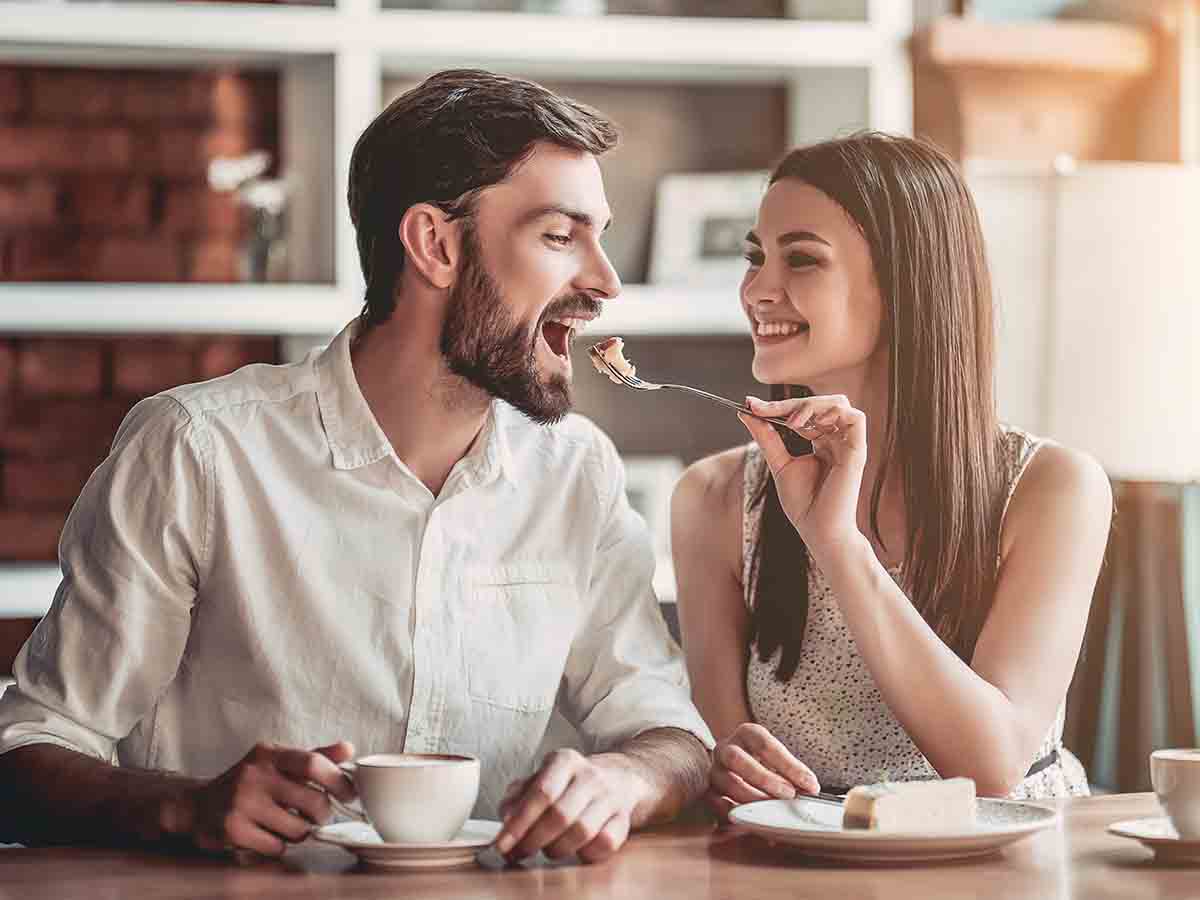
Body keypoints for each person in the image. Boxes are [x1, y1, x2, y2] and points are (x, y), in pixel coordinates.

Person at [0, 69, 712, 863]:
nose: (605, 280)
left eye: (600, 235)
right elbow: (27, 753)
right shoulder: (197, 450)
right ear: (435, 246)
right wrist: (185, 808)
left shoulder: (578, 472)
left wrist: (625, 779)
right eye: (558, 236)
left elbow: (670, 732)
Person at [670, 133, 1112, 818]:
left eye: (802, 259)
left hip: (1004, 862)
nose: (757, 289)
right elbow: (732, 766)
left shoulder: (1052, 488)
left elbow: (991, 764)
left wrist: (837, 543)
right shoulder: (714, 498)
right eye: (755, 257)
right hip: (795, 864)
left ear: (908, 284)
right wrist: (721, 765)